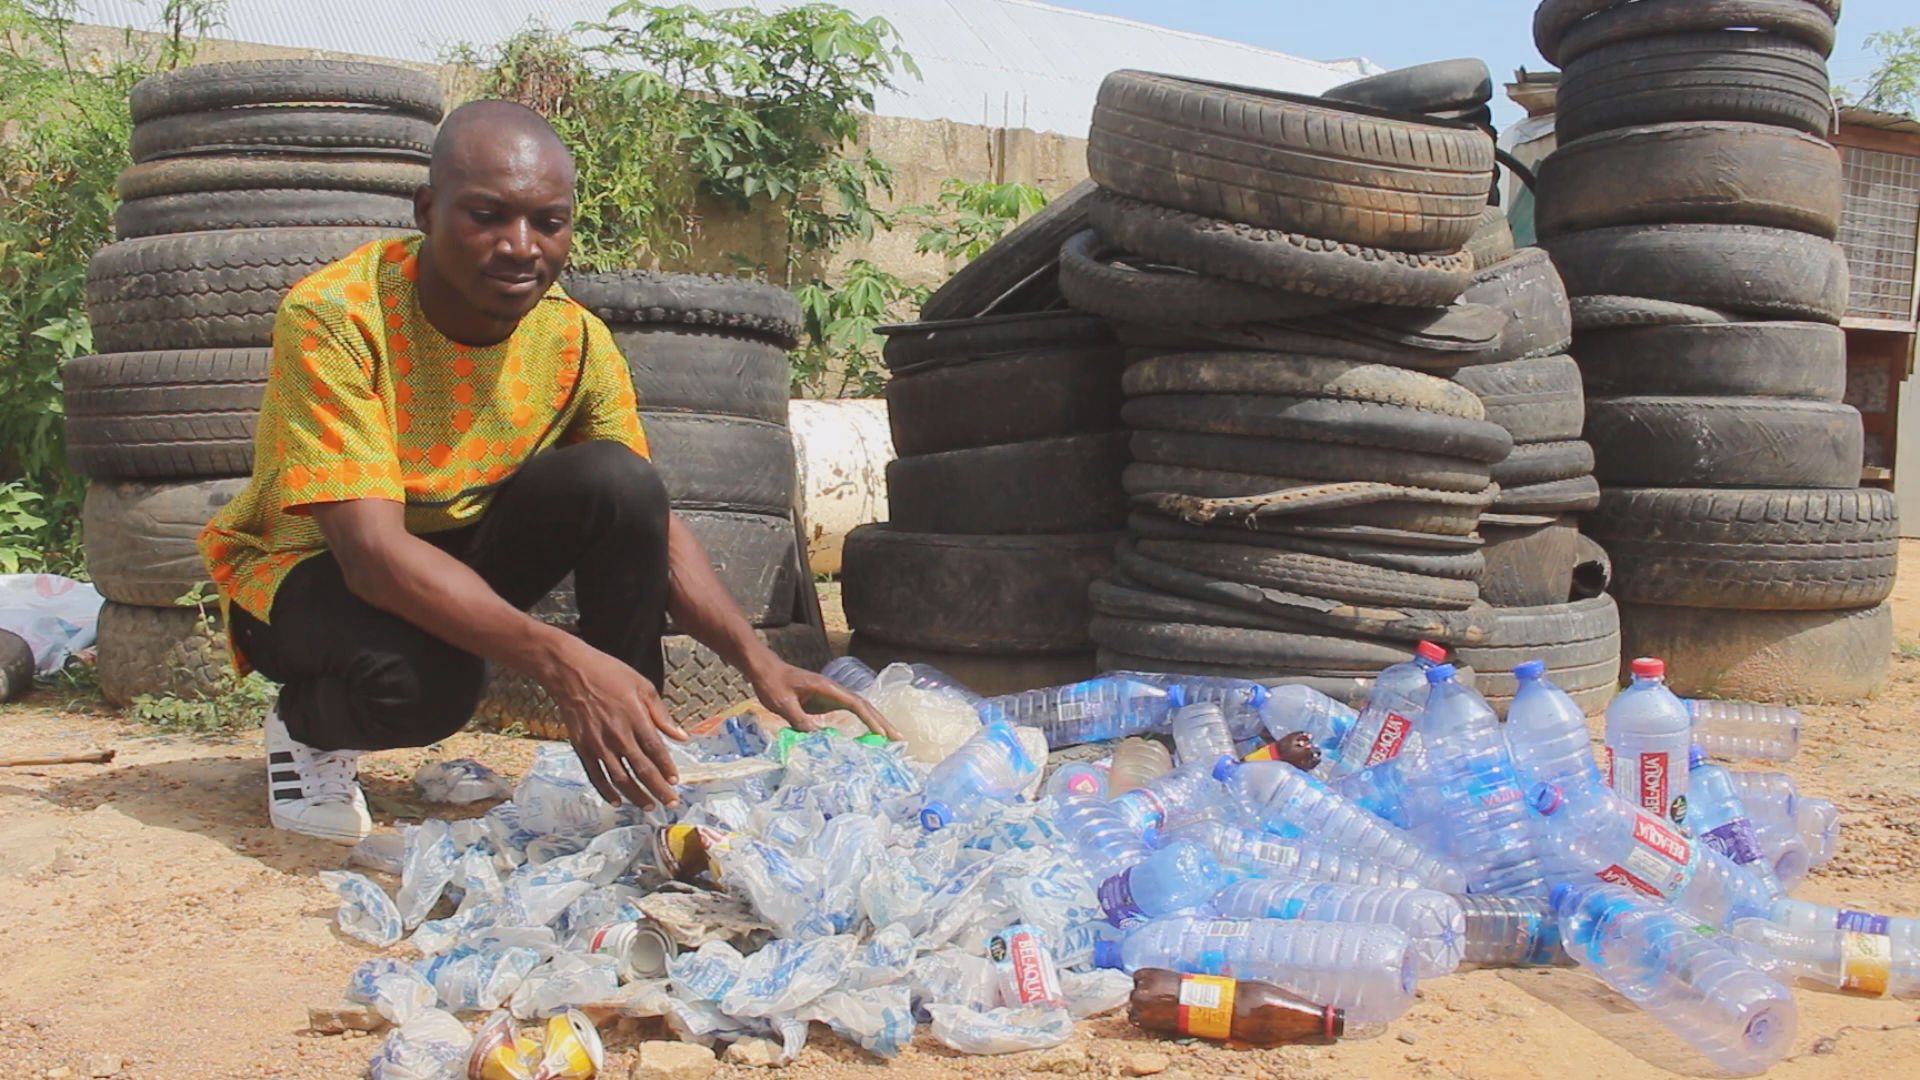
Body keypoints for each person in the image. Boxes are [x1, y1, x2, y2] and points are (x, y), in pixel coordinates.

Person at [197, 100, 891, 843]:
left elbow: (645, 522)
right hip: (310, 577)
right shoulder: (339, 318)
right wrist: (566, 664)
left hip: (447, 556)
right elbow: (371, 560)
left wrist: (759, 662)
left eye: (547, 223)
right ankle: (307, 729)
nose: (519, 247)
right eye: (487, 216)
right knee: (429, 687)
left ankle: (631, 754)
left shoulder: (573, 338)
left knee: (618, 480)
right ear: (428, 210)